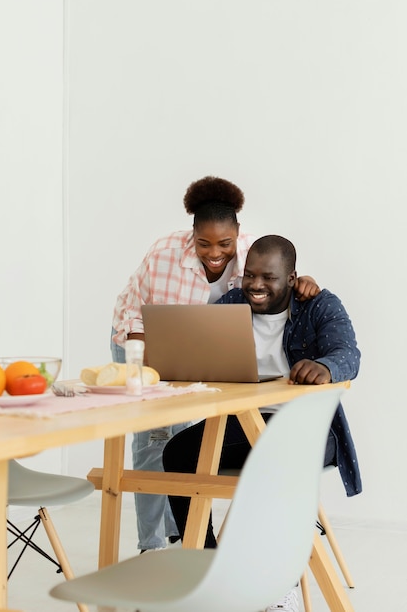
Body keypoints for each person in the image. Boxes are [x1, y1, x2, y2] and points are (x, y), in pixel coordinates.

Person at [111, 180, 320, 553]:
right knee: (151, 443)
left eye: (224, 244)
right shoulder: (164, 253)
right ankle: (152, 546)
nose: (214, 253)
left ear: (237, 235)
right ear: (191, 234)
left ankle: (184, 537)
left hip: (201, 349)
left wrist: (303, 283)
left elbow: (280, 287)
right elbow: (133, 313)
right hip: (140, 342)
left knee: (184, 434)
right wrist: (143, 361)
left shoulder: (254, 255)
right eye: (204, 243)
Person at [163, 234, 362, 612]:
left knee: (277, 461)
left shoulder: (319, 305)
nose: (255, 285)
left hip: (308, 428)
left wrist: (324, 366)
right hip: (245, 422)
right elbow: (199, 350)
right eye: (249, 275)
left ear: (291, 278)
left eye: (268, 277)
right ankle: (207, 566)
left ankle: (277, 582)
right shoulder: (231, 304)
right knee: (178, 452)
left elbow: (348, 354)